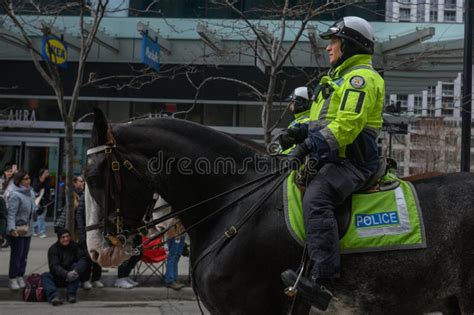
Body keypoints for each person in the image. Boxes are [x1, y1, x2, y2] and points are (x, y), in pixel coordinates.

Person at [281, 16, 385, 309]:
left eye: (334, 41)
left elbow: (348, 125)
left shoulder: (360, 79)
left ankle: (323, 281)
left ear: (349, 45)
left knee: (316, 200)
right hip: (329, 158)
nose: (329, 47)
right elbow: (324, 122)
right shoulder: (337, 79)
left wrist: (307, 145)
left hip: (352, 163)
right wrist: (298, 133)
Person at [6, 171, 38, 290]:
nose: (28, 180)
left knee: (24, 255)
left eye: (29, 178)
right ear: (19, 181)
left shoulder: (30, 192)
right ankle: (12, 278)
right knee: (16, 255)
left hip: (28, 229)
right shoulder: (15, 194)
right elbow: (11, 213)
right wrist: (11, 228)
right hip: (18, 229)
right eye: (25, 179)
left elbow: (32, 208)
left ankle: (20, 275)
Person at [41, 228, 89, 306]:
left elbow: (83, 259)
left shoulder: (75, 246)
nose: (66, 239)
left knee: (76, 268)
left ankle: (71, 295)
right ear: (59, 238)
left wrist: (75, 271)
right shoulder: (53, 249)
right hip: (58, 277)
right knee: (45, 275)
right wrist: (66, 274)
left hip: (73, 277)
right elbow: (54, 266)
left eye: (67, 236)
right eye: (63, 237)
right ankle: (55, 296)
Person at [75, 182, 104, 290]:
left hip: (99, 231)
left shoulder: (101, 196)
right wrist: (82, 233)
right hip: (87, 231)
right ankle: (85, 279)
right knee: (87, 257)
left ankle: (96, 278)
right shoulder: (85, 197)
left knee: (99, 256)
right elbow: (79, 215)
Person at [278, 87, 312, 153]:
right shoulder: (298, 119)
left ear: (300, 103)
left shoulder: (307, 121)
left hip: (295, 161)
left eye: (292, 102)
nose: (290, 105)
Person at [32, 168, 51, 238]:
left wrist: (44, 181)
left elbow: (48, 188)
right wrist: (41, 181)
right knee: (37, 216)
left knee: (41, 217)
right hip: (36, 199)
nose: (47, 174)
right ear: (42, 173)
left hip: (44, 200)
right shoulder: (36, 179)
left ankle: (41, 231)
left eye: (47, 172)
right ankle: (35, 229)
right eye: (46, 172)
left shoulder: (48, 180)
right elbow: (36, 188)